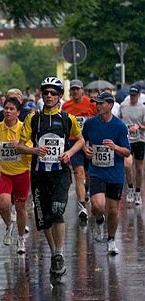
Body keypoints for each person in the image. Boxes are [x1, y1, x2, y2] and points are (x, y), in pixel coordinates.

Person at [17, 77, 84, 278]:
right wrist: (34, 150)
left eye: (53, 93)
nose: (48, 96)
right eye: (45, 92)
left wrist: (69, 153)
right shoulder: (33, 119)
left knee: (57, 211)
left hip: (60, 172)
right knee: (44, 219)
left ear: (59, 96)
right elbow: (20, 145)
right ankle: (54, 252)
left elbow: (80, 140)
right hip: (39, 173)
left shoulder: (67, 118)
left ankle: (59, 252)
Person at [82, 91, 131, 254]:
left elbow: (127, 152)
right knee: (97, 205)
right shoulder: (90, 124)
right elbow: (81, 141)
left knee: (113, 210)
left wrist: (115, 147)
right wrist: (85, 149)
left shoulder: (119, 126)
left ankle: (111, 240)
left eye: (101, 103)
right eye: (96, 103)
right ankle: (98, 219)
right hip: (96, 171)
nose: (97, 106)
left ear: (110, 105)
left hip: (115, 174)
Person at [0, 96, 32, 254]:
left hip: (21, 173)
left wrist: (20, 146)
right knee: (3, 203)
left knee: (21, 208)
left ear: (18, 112)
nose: (8, 111)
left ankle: (21, 239)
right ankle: (9, 225)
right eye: (6, 108)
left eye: (11, 109)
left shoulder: (24, 129)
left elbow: (31, 150)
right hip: (4, 173)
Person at [62, 79, 96, 222]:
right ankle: (82, 206)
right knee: (78, 172)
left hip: (89, 142)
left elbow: (97, 122)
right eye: (73, 89)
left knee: (88, 174)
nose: (75, 92)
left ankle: (87, 189)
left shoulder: (91, 104)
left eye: (77, 89)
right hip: (74, 142)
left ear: (82, 90)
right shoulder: (66, 106)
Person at [119, 85, 145, 205]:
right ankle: (130, 188)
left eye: (135, 95)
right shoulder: (123, 106)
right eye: (131, 95)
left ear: (139, 95)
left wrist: (138, 127)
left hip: (140, 139)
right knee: (127, 165)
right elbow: (119, 120)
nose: (133, 97)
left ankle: (138, 192)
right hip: (127, 139)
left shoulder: (142, 108)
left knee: (139, 169)